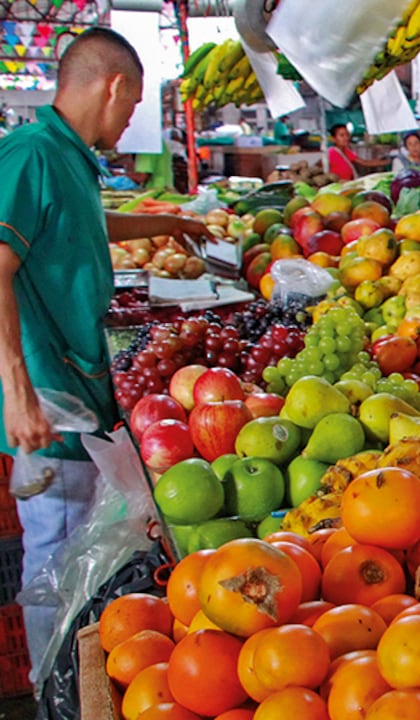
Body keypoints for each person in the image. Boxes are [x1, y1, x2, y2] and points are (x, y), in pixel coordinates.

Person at [0, 27, 213, 688]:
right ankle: (53, 690)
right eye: (133, 103)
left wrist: (171, 223)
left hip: (75, 389)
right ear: (114, 87)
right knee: (56, 560)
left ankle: (63, 675)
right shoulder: (32, 153)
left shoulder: (67, 158)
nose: (129, 120)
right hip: (47, 401)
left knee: (74, 561)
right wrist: (18, 393)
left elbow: (83, 221)